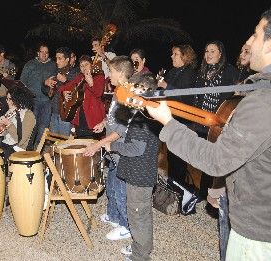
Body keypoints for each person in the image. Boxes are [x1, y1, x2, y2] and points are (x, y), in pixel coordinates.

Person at [145, 7, 271, 260]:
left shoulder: (267, 101)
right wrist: (225, 188)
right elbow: (265, 156)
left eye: (256, 34)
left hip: (262, 229)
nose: (248, 41)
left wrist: (169, 124)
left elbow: (216, 160)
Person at [106, 72, 161, 261]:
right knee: (142, 214)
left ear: (144, 91)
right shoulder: (146, 111)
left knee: (138, 216)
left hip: (140, 174)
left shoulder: (143, 117)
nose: (130, 90)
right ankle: (141, 248)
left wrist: (113, 146)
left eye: (134, 88)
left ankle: (140, 255)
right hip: (141, 172)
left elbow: (136, 149)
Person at [84, 55, 135, 241]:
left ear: (121, 73)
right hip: (112, 151)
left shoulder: (129, 95)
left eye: (111, 71)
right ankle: (114, 216)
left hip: (121, 150)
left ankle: (127, 226)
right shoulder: (117, 92)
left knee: (121, 190)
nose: (108, 75)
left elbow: (122, 130)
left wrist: (98, 144)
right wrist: (103, 122)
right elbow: (114, 117)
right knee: (112, 185)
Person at [192, 40, 239, 202]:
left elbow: (235, 99)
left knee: (214, 160)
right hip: (201, 123)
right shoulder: (202, 71)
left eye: (212, 51)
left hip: (218, 125)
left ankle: (213, 196)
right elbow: (197, 97)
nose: (209, 54)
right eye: (206, 51)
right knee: (204, 159)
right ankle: (203, 192)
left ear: (220, 54)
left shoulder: (229, 71)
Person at [157, 44, 198, 186]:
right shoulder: (173, 71)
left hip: (182, 123)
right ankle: (173, 190)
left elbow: (186, 97)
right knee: (171, 158)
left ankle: (182, 192)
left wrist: (166, 86)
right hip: (171, 120)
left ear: (184, 56)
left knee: (179, 160)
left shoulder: (189, 73)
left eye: (175, 54)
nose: (171, 56)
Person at [58, 55, 105, 138]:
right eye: (81, 66)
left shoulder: (99, 76)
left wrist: (91, 83)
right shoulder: (79, 77)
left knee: (94, 143)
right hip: (79, 117)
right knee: (81, 141)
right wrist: (64, 93)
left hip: (93, 117)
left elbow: (99, 93)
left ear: (92, 65)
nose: (84, 67)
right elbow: (63, 88)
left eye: (86, 64)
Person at [20, 43, 56, 148]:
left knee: (43, 127)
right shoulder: (30, 64)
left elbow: (56, 81)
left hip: (47, 101)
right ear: (38, 53)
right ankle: (27, 146)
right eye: (42, 52)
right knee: (31, 125)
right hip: (32, 101)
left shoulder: (53, 65)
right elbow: (22, 82)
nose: (44, 54)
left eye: (46, 52)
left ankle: (38, 148)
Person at [44, 46, 79, 136]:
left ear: (67, 59)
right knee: (54, 140)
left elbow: (76, 92)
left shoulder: (75, 73)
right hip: (54, 111)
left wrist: (65, 81)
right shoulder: (55, 72)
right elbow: (47, 93)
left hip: (66, 114)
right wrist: (46, 83)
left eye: (60, 59)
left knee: (64, 142)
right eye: (56, 58)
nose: (57, 61)